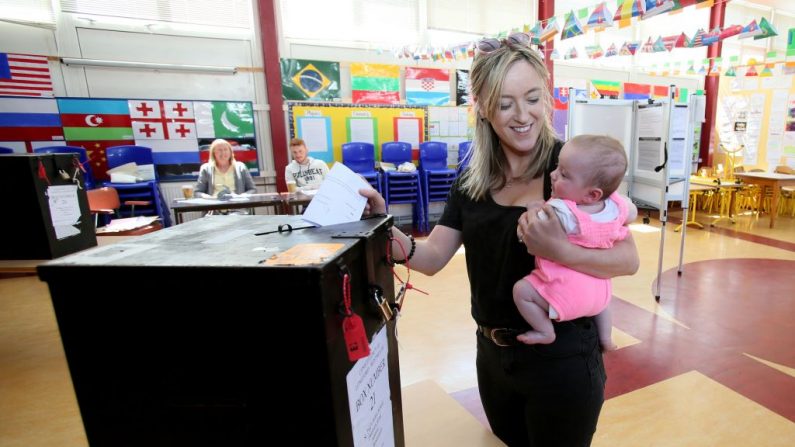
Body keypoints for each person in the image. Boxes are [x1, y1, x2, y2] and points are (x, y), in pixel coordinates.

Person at [359, 33, 639, 446]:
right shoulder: (472, 180)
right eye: (506, 103)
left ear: (546, 100)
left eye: (531, 98)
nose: (522, 115)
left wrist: (558, 250)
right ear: (485, 110)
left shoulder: (571, 168)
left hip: (562, 356)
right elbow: (433, 256)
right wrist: (383, 224)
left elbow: (627, 258)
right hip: (492, 356)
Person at [513, 135, 637, 352]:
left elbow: (530, 231)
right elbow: (631, 213)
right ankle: (606, 338)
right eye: (557, 168)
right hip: (599, 294)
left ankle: (545, 331)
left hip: (565, 293)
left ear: (592, 194)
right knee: (604, 299)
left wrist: (533, 208)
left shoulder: (563, 211)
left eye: (563, 174)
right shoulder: (617, 206)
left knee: (521, 291)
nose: (553, 175)